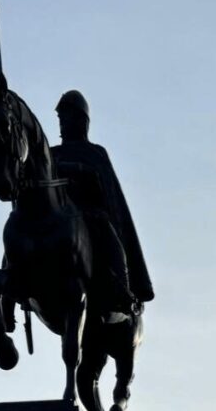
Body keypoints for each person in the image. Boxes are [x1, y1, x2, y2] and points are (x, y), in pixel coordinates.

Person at [52, 90, 154, 314]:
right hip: (59, 217)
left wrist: (77, 170)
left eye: (66, 117)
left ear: (80, 120)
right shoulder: (52, 153)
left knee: (109, 238)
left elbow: (105, 185)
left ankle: (122, 289)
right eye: (60, 118)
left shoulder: (95, 152)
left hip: (91, 215)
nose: (62, 123)